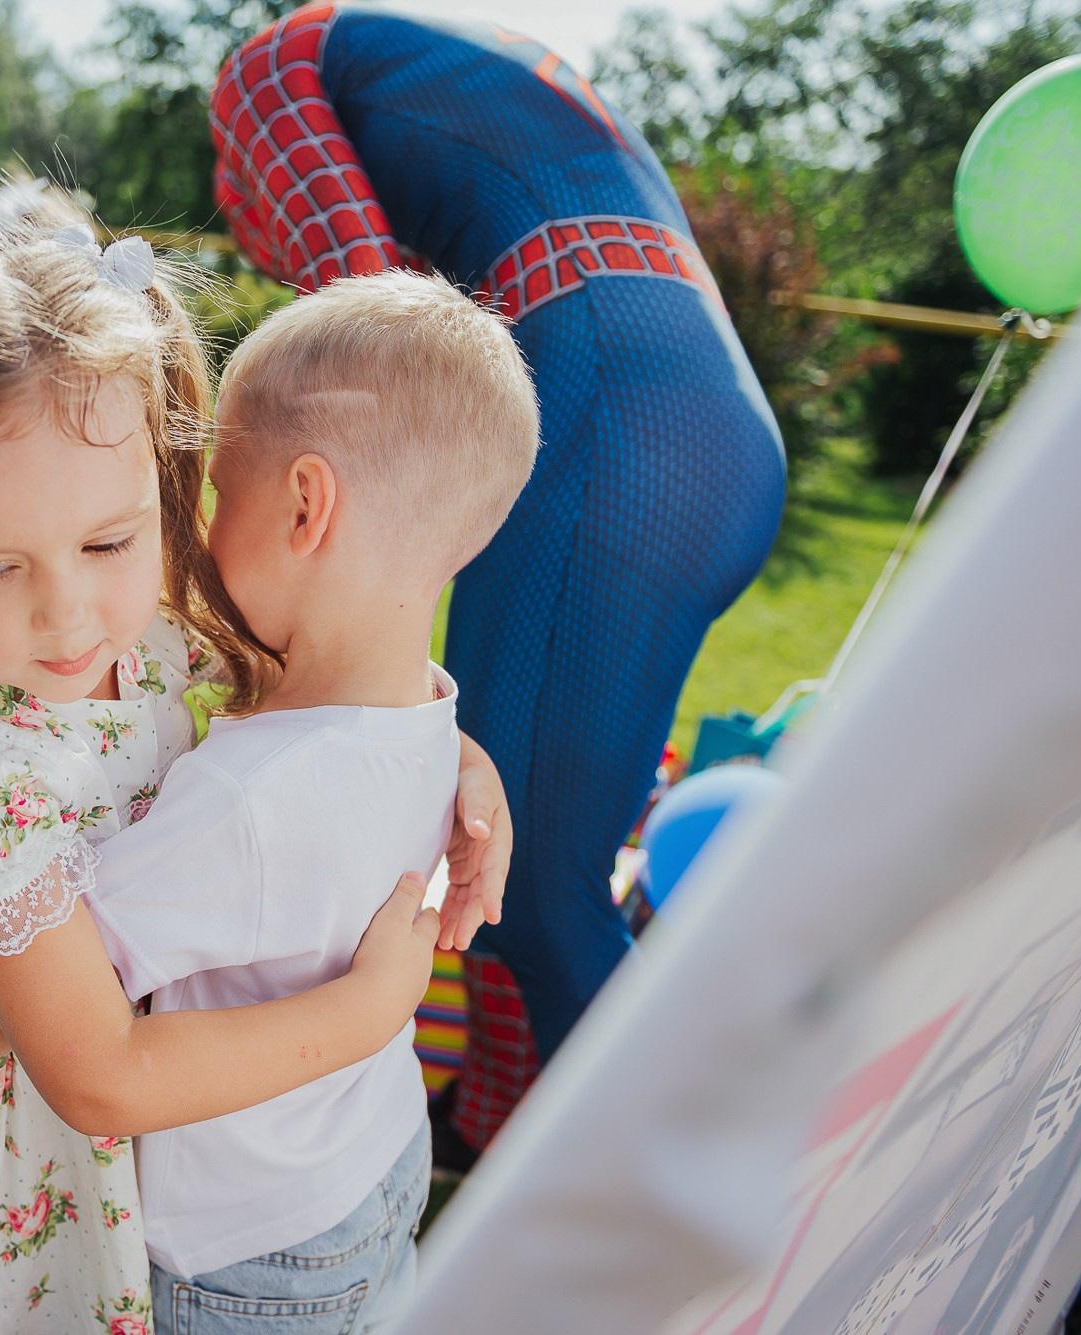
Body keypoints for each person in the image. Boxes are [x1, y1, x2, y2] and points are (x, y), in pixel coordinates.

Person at [0, 229, 513, 1333]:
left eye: (108, 543)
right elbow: (69, 1044)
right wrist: (376, 1006)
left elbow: (337, 695)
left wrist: (461, 768)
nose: (66, 616)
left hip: (143, 1140)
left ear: (160, 481)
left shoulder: (149, 633)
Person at [211, 7, 788, 1157]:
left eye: (244, 226)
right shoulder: (449, 66)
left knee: (538, 891)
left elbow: (370, 365)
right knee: (528, 847)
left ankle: (683, 1207)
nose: (250, 240)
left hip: (617, 431)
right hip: (704, 423)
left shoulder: (261, 78)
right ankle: (494, 1135)